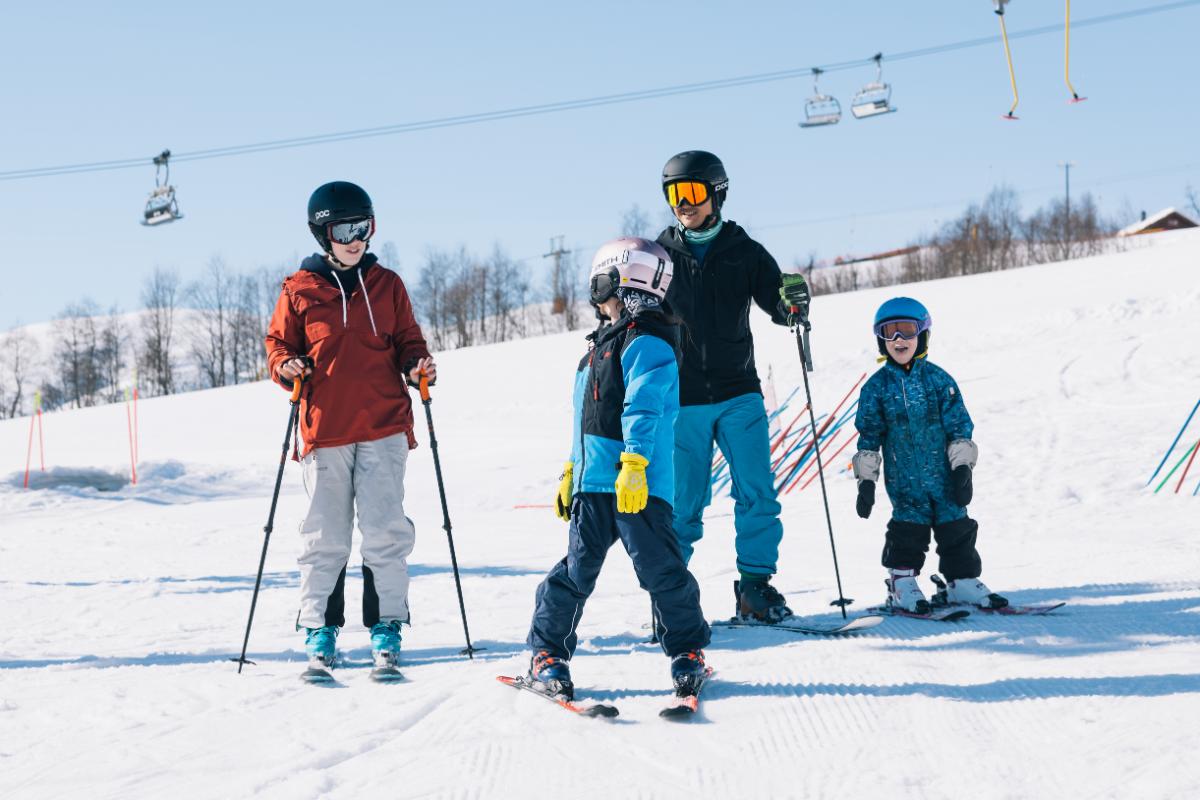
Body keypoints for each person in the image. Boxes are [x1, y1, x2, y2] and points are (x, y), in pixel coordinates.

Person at [526, 237, 712, 700]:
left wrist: (634, 463)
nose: (595, 293)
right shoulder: (595, 351)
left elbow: (645, 407)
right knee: (575, 572)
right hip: (594, 485)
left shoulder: (648, 342)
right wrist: (571, 471)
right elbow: (582, 423)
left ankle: (688, 652)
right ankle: (547, 652)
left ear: (618, 279)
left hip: (638, 485)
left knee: (662, 571)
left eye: (598, 283)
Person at [264, 180, 435, 671]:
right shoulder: (298, 290)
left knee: (385, 530)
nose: (356, 238)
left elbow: (408, 341)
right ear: (323, 233)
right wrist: (286, 367)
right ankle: (320, 628)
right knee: (325, 535)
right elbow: (277, 346)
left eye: (364, 227)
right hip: (326, 429)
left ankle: (386, 624)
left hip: (384, 425)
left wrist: (418, 365)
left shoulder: (387, 284)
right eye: (344, 229)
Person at [655, 150, 811, 622]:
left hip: (739, 391)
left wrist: (794, 306)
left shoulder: (745, 252)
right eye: (675, 194)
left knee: (757, 493)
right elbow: (635, 311)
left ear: (716, 193)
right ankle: (671, 597)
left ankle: (756, 588)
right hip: (682, 399)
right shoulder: (659, 255)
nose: (684, 204)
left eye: (694, 192)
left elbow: (780, 308)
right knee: (683, 504)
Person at [852, 297, 1007, 613]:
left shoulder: (938, 380)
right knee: (908, 530)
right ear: (880, 339)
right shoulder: (876, 389)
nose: (898, 340)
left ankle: (961, 581)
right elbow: (868, 437)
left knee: (957, 528)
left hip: (945, 477)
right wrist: (866, 482)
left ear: (922, 335)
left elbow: (959, 428)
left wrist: (962, 468)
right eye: (889, 332)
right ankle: (902, 583)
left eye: (906, 331)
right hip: (905, 482)